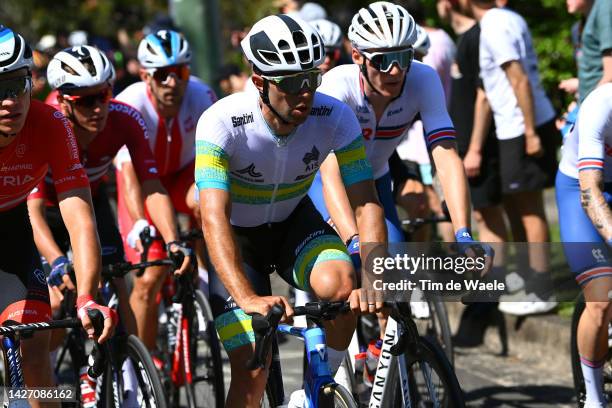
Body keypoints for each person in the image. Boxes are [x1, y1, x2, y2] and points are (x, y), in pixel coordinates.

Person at [196, 14, 387, 407]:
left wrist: (373, 272)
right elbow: (212, 215)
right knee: (252, 369)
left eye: (312, 79)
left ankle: (310, 392)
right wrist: (247, 298)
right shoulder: (222, 122)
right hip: (238, 239)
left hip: (291, 224)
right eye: (292, 83)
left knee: (342, 283)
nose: (305, 93)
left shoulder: (334, 116)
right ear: (260, 82)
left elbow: (366, 200)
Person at [30, 45, 193, 351]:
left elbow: (152, 186)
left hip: (90, 202)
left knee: (117, 280)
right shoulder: (46, 125)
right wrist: (56, 261)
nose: (98, 108)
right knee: (53, 304)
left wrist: (173, 240)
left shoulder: (125, 119)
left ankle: (136, 373)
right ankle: (47, 374)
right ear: (64, 102)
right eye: (86, 101)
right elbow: (33, 212)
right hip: (47, 212)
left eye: (103, 95)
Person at [0, 26, 116, 407]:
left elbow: (80, 217)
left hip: (11, 232)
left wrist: (86, 296)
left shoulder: (51, 124)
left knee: (35, 350)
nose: (10, 101)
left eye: (18, 84)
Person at [309, 1, 479, 252]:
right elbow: (329, 171)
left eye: (403, 57)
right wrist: (352, 238)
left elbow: (447, 157)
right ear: (357, 56)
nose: (396, 70)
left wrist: (463, 232)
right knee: (347, 271)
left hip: (376, 178)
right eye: (383, 60)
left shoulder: (423, 79)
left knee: (392, 262)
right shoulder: (337, 87)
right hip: (323, 181)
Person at [114, 29, 216, 350]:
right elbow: (129, 173)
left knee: (207, 203)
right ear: (145, 76)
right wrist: (140, 222)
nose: (173, 83)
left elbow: (213, 163)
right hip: (143, 185)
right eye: (162, 75)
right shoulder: (129, 103)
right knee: (148, 278)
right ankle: (146, 367)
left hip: (184, 174)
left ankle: (205, 278)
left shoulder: (202, 96)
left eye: (180, 72)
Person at [463, 0, 560, 315]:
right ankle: (529, 278)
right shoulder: (505, 19)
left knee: (530, 210)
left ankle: (542, 288)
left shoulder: (494, 24)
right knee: (517, 205)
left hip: (522, 125)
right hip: (513, 127)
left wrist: (530, 132)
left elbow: (518, 78)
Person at [556, 83, 612, 408]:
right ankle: (593, 396)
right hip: (580, 186)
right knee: (601, 297)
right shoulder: (600, 105)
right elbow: (590, 192)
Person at [578, 0, 612, 102]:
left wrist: (588, 106)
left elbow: (610, 73)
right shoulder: (595, 10)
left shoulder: (605, 6)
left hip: (599, 103)